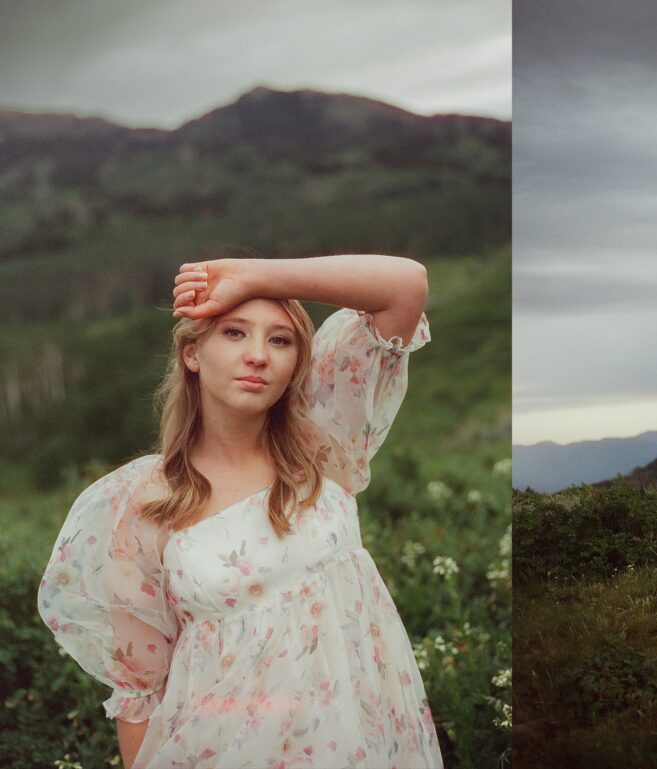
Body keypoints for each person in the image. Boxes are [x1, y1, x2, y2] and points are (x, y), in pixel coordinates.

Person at [37, 255, 443, 769]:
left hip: (361, 746)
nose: (258, 356)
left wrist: (253, 276)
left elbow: (407, 285)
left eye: (280, 340)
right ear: (192, 354)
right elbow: (140, 694)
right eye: (233, 333)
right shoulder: (147, 503)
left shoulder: (324, 443)